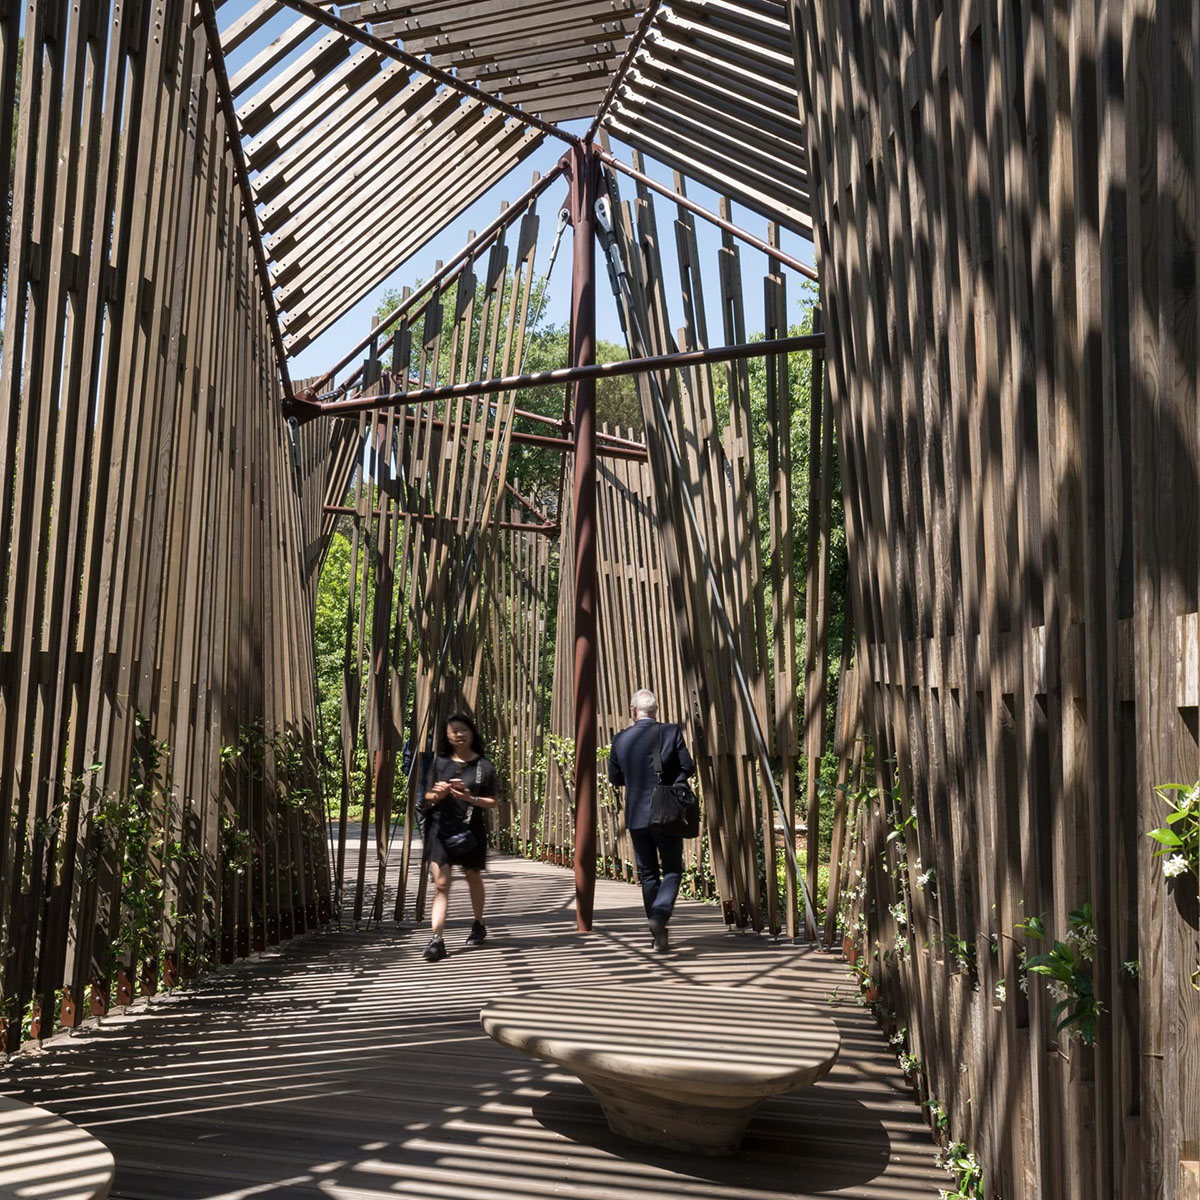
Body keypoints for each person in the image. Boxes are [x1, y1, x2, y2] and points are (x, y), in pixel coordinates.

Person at [607, 688, 695, 953]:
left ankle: (658, 936)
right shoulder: (670, 732)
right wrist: (673, 782)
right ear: (655, 711)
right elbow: (688, 766)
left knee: (648, 874)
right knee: (672, 870)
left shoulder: (620, 739)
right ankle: (659, 917)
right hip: (666, 812)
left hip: (636, 814)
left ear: (633, 711)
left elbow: (615, 777)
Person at [420, 713, 500, 962]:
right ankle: (437, 939)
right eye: (454, 730)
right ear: (447, 736)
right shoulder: (438, 763)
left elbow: (493, 802)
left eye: (463, 729)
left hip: (470, 831)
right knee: (441, 884)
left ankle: (478, 923)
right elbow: (426, 798)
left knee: (472, 876)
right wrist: (440, 793)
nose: (459, 734)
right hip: (440, 830)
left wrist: (469, 798)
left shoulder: (484, 766)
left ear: (472, 733)